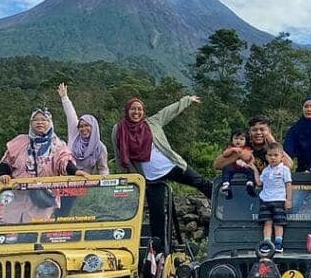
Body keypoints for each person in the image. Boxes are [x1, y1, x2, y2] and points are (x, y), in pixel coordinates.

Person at [111, 95, 213, 254]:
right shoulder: (119, 129)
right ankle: (160, 252)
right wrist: (127, 178)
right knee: (156, 214)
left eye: (139, 109)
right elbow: (119, 156)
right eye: (133, 109)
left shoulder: (152, 123)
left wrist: (187, 100)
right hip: (150, 178)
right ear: (127, 110)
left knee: (200, 182)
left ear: (143, 111)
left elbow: (169, 111)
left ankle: (224, 204)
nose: (136, 112)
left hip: (171, 165)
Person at [0, 108, 88, 223]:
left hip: (42, 198)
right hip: (17, 196)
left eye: (44, 120)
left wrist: (75, 171)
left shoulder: (57, 145)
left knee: (34, 232)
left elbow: (64, 161)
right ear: (31, 123)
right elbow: (6, 161)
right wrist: (4, 174)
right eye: (36, 120)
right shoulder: (20, 141)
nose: (39, 122)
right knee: (10, 232)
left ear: (50, 123)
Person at [56, 83, 109, 175]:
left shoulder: (100, 148)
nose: (83, 129)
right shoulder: (75, 135)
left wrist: (105, 186)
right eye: (81, 126)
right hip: (68, 180)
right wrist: (64, 98)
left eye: (87, 125)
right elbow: (71, 115)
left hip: (86, 184)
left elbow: (103, 169)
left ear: (94, 127)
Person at [213, 114, 293, 173]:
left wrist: (273, 142)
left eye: (262, 129)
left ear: (269, 131)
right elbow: (217, 165)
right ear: (249, 132)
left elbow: (289, 165)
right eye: (254, 130)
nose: (258, 133)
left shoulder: (273, 150)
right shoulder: (243, 146)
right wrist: (239, 154)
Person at [256, 142, 292, 252]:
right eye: (270, 155)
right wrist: (253, 169)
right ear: (266, 157)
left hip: (279, 199)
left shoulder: (284, 169)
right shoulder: (265, 170)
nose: (273, 158)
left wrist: (289, 200)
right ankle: (267, 243)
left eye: (276, 155)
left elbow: (288, 184)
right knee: (267, 222)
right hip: (265, 200)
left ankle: (278, 243)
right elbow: (259, 183)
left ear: (281, 156)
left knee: (278, 222)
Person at [218, 128, 257, 198]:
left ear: (246, 141)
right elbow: (225, 154)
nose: (238, 141)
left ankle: (250, 183)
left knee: (251, 170)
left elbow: (251, 158)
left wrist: (248, 163)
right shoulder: (230, 148)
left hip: (244, 167)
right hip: (233, 167)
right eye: (236, 138)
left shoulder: (247, 148)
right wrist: (232, 150)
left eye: (241, 139)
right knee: (226, 169)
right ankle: (226, 184)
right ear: (232, 140)